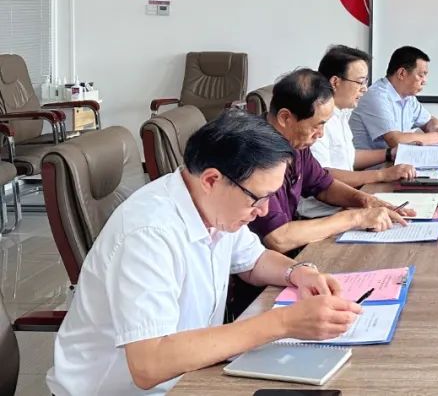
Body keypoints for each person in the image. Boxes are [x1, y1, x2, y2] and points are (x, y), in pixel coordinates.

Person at [46, 111, 363, 395]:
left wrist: (298, 272)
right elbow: (149, 365)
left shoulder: (215, 204)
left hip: (190, 374)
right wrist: (283, 323)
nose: (264, 210)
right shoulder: (148, 234)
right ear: (212, 179)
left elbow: (253, 260)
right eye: (258, 198)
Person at [249, 69, 413, 255]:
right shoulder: (255, 153)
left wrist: (367, 201)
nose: (320, 134)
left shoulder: (294, 143)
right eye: (316, 125)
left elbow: (323, 186)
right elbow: (278, 238)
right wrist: (356, 218)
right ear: (285, 118)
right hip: (259, 262)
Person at [298, 45, 417, 219]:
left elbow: (348, 157)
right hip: (323, 215)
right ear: (335, 82)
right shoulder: (317, 120)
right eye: (360, 82)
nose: (365, 89)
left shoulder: (341, 113)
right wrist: (382, 174)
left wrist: (389, 153)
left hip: (347, 204)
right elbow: (323, 175)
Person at [350, 45, 438, 150]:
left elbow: (429, 121)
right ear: (401, 73)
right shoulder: (376, 96)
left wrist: (437, 129)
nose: (425, 81)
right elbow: (396, 141)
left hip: (394, 160)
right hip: (372, 162)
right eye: (421, 75)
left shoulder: (408, 97)